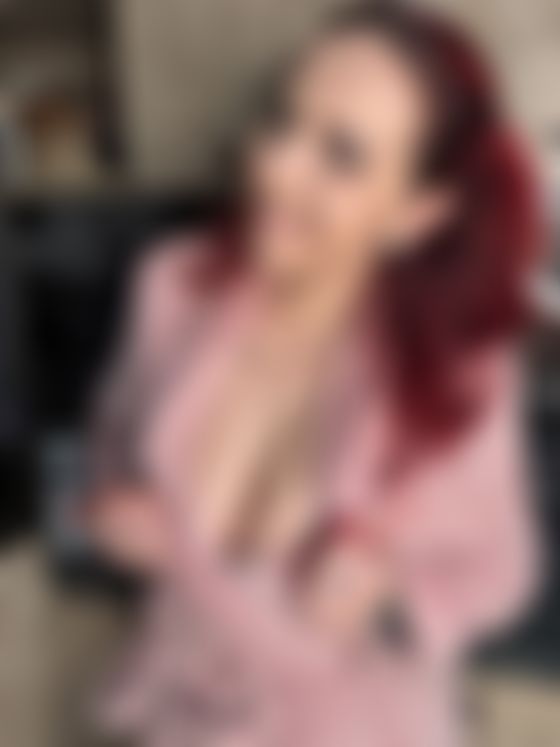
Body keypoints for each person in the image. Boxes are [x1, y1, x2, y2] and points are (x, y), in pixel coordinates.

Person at [87, 4, 542, 745]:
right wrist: (116, 506)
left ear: (416, 211)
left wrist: (391, 599)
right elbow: (113, 434)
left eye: (341, 155)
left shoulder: (458, 365)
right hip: (186, 719)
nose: (275, 167)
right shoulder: (170, 288)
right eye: (281, 120)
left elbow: (501, 570)